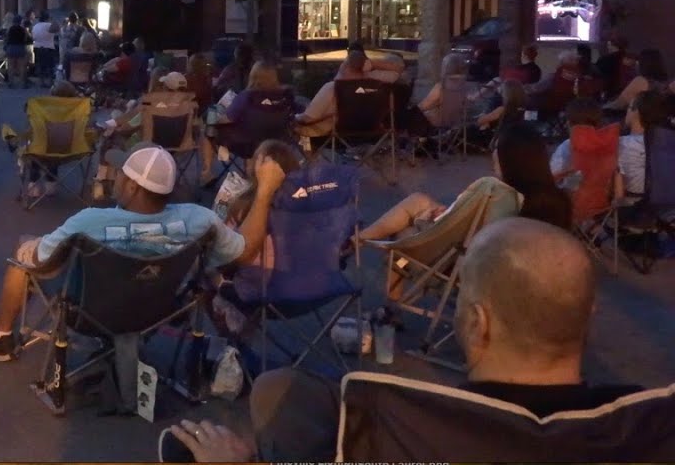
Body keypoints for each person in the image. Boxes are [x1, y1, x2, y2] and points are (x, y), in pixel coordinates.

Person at [177, 217, 646, 463]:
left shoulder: (404, 431)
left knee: (279, 392)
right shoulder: (646, 424)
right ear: (589, 317)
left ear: (478, 323)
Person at [0, 143, 288, 361]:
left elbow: (41, 261)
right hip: (158, 312)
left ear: (133, 186)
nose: (117, 176)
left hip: (89, 316)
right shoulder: (198, 218)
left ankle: (0, 338)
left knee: (21, 257)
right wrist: (265, 192)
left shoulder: (90, 221)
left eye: (122, 172)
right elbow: (244, 253)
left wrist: (28, 243)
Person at [357, 121, 571, 249]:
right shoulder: (553, 200)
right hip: (506, 264)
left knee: (404, 234)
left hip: (465, 261)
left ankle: (387, 311)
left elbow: (471, 238)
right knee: (418, 200)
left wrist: (431, 219)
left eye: (497, 147)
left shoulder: (494, 192)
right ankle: (358, 239)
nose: (493, 152)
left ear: (510, 158)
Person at [294, 49, 406, 144]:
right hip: (367, 132)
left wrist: (294, 117)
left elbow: (307, 119)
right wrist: (372, 63)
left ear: (346, 66)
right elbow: (399, 69)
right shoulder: (376, 84)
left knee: (297, 108)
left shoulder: (332, 88)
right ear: (365, 67)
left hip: (327, 135)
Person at [616, 89, 669, 209]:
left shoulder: (621, 144)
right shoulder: (668, 143)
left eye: (629, 107)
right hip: (663, 207)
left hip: (631, 206)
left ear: (636, 112)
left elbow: (618, 191)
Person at [550, 98, 606, 177]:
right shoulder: (609, 144)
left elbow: (553, 175)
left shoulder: (565, 147)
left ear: (568, 124)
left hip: (571, 186)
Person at [603, 48, 667, 113]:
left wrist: (603, 107)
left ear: (643, 63)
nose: (636, 63)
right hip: (654, 118)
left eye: (638, 61)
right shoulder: (664, 82)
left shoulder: (641, 81)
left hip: (636, 118)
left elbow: (621, 103)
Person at [31, 12, 57, 88]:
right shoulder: (49, 25)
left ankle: (41, 81)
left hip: (37, 47)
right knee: (50, 65)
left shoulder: (35, 26)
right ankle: (50, 82)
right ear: (47, 18)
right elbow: (56, 30)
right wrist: (53, 21)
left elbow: (33, 37)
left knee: (40, 65)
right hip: (48, 47)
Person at [3, 16, 30, 89]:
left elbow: (6, 38)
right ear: (20, 21)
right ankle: (22, 83)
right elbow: (26, 39)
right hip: (20, 47)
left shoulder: (10, 29)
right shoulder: (23, 29)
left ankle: (11, 82)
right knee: (21, 66)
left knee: (10, 66)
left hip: (11, 47)